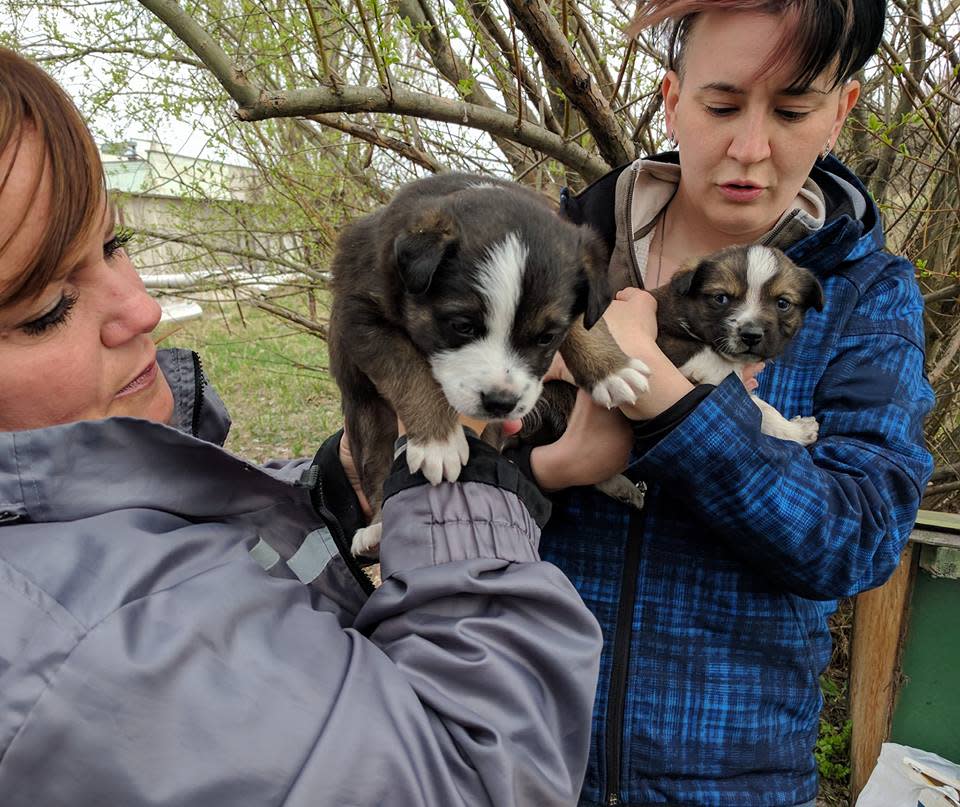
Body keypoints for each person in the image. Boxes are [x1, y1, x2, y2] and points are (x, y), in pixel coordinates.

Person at [0, 48, 604, 806]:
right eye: (48, 309)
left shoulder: (86, 509)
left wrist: (329, 493)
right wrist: (468, 490)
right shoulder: (74, 659)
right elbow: (482, 779)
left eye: (114, 243)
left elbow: (210, 574)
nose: (142, 309)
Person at [517, 1, 935, 805]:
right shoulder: (561, 249)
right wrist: (542, 460)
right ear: (671, 98)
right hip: (518, 755)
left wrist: (669, 402)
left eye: (792, 108)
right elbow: (430, 451)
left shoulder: (861, 293)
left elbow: (859, 537)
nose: (751, 148)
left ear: (842, 109)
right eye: (719, 105)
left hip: (734, 782)